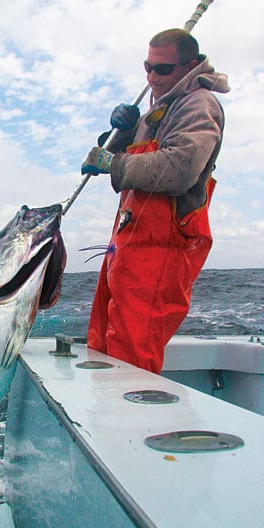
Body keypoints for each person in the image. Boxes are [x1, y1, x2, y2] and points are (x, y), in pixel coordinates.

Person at [81, 28, 230, 374]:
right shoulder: (159, 109)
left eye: (162, 70)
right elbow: (138, 156)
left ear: (190, 66)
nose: (151, 77)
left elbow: (179, 168)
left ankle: (130, 428)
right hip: (129, 244)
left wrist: (112, 163)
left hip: (163, 248)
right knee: (104, 342)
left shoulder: (198, 105)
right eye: (147, 67)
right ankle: (106, 423)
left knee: (132, 356)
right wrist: (122, 135)